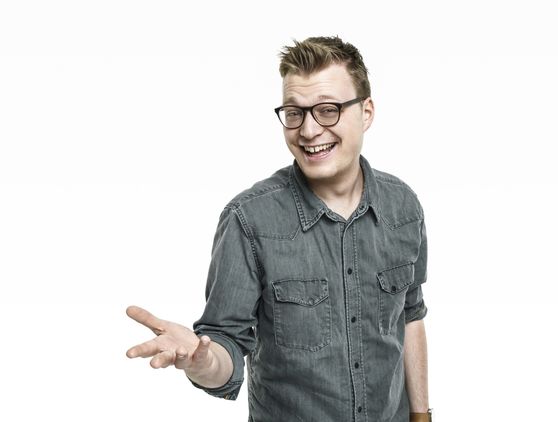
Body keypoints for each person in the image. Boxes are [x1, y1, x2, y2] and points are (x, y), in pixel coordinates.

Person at [126, 36, 432, 422]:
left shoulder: (403, 206)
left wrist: (421, 416)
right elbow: (224, 344)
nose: (308, 130)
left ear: (366, 112)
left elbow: (410, 316)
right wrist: (202, 362)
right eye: (294, 112)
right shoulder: (248, 219)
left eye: (327, 110)